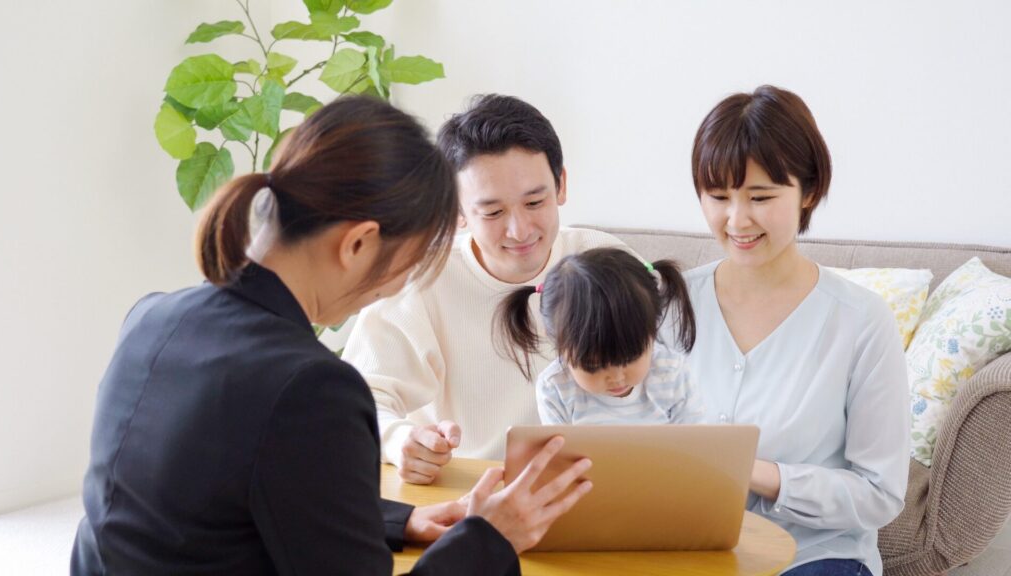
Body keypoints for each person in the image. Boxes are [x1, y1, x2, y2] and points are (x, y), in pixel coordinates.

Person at [70, 96, 594, 575]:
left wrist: (397, 520)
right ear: (359, 244)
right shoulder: (311, 388)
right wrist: (491, 538)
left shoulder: (153, 317)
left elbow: (227, 497)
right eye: (410, 262)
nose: (403, 283)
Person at [681, 85, 910, 576]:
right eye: (718, 197)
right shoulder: (667, 306)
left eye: (760, 197)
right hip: (686, 552)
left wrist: (761, 476)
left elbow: (880, 493)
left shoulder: (861, 321)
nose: (737, 219)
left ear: (808, 191)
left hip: (815, 556)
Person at [343, 94, 627, 484]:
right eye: (493, 212)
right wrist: (400, 440)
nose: (520, 230)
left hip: (596, 486)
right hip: (468, 493)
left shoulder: (605, 259)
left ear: (561, 185)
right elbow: (357, 400)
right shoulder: (421, 280)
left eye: (535, 201)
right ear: (456, 212)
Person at [493, 247, 702, 425]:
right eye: (593, 366)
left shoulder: (672, 373)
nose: (617, 377)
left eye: (631, 358)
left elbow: (696, 447)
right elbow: (560, 460)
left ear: (653, 329)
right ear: (558, 343)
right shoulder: (555, 388)